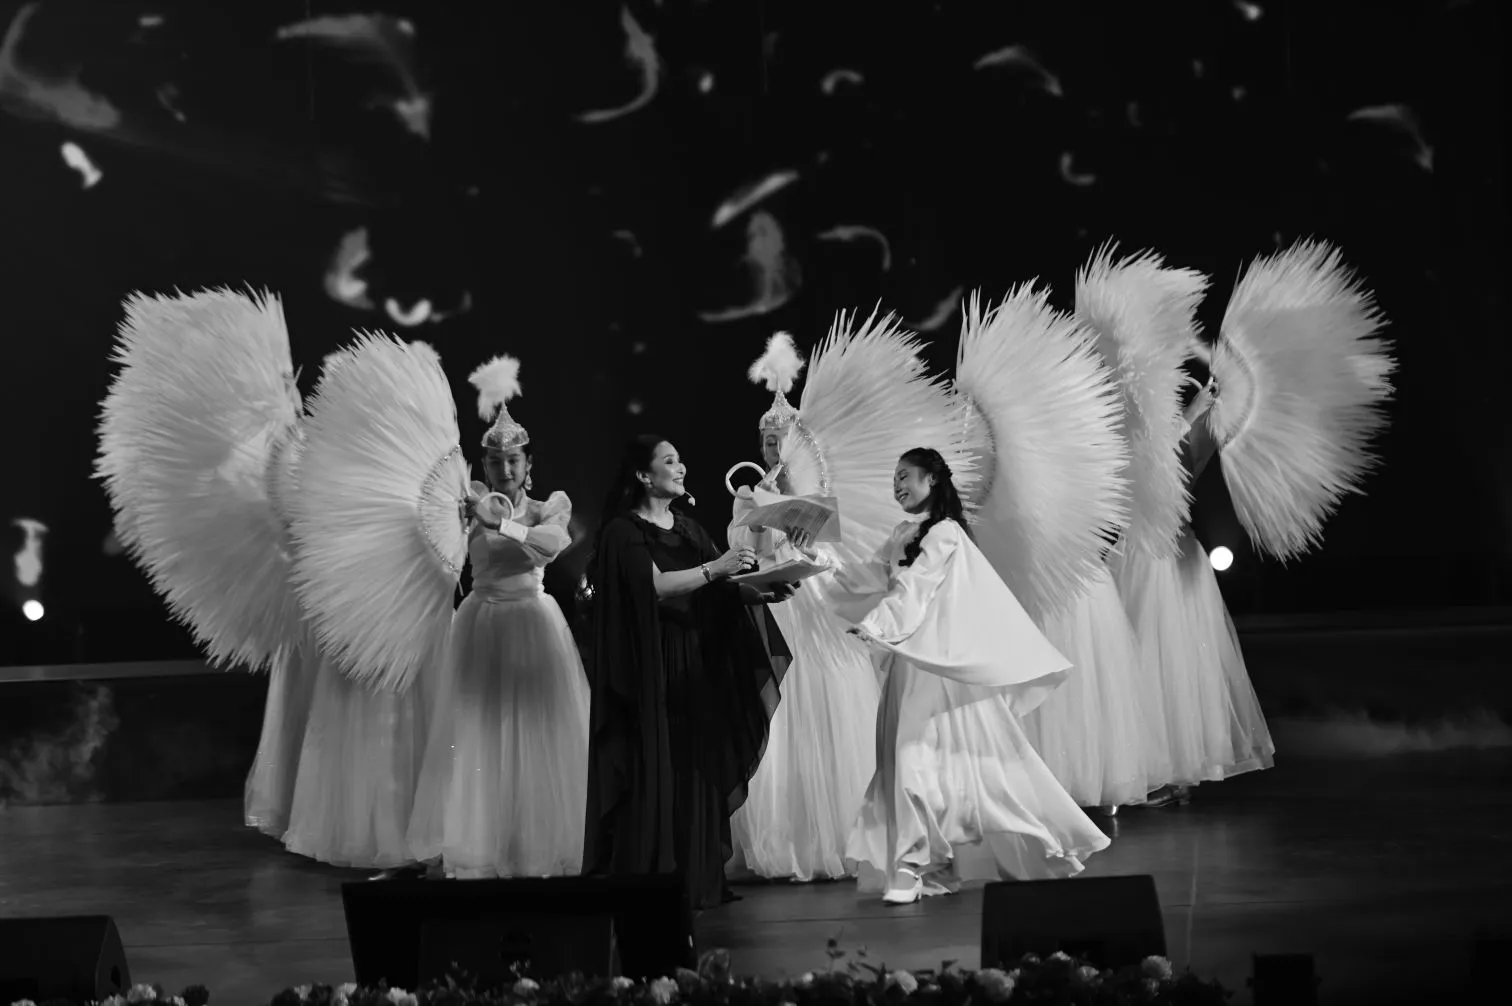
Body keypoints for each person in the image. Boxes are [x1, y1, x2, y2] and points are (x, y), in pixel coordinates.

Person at [827, 447, 1111, 905]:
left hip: (939, 669)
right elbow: (868, 578)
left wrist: (877, 624)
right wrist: (819, 560)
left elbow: (916, 589)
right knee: (914, 762)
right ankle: (934, 863)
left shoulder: (946, 533)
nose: (897, 485)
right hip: (910, 665)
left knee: (925, 759)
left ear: (932, 479)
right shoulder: (903, 533)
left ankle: (911, 865)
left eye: (905, 476)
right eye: (894, 478)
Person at [582, 435, 794, 910]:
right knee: (655, 769)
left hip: (695, 666)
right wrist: (716, 567)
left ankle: (693, 879)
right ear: (644, 475)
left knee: (694, 768)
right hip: (650, 668)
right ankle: (650, 887)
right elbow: (655, 587)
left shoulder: (689, 528)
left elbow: (717, 590)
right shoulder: (623, 531)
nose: (680, 468)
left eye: (680, 460)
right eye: (669, 461)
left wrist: (761, 591)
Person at [406, 357, 590, 877]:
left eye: (513, 462)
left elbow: (552, 546)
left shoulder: (548, 507)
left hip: (533, 621)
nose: (505, 471)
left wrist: (500, 525)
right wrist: (462, 519)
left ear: (528, 464)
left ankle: (537, 840)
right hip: (481, 621)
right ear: (483, 466)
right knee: (478, 730)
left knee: (537, 727)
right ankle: (481, 839)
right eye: (495, 463)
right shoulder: (468, 505)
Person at [726, 334, 879, 882]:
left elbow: (837, 546)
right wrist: (755, 514)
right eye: (767, 443)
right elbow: (742, 549)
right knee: (781, 711)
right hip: (777, 602)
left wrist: (806, 540)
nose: (773, 451)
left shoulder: (823, 484)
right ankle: (781, 838)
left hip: (816, 605)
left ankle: (835, 833)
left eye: (780, 441)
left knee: (829, 706)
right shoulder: (750, 490)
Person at [1109, 371, 1275, 804]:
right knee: (1151, 658)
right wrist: (1189, 417)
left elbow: (1161, 471)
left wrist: (1194, 416)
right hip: (1147, 554)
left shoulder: (1179, 434)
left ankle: (1172, 769)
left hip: (1167, 556)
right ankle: (1155, 769)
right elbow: (1138, 472)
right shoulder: (1139, 435)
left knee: (1171, 659)